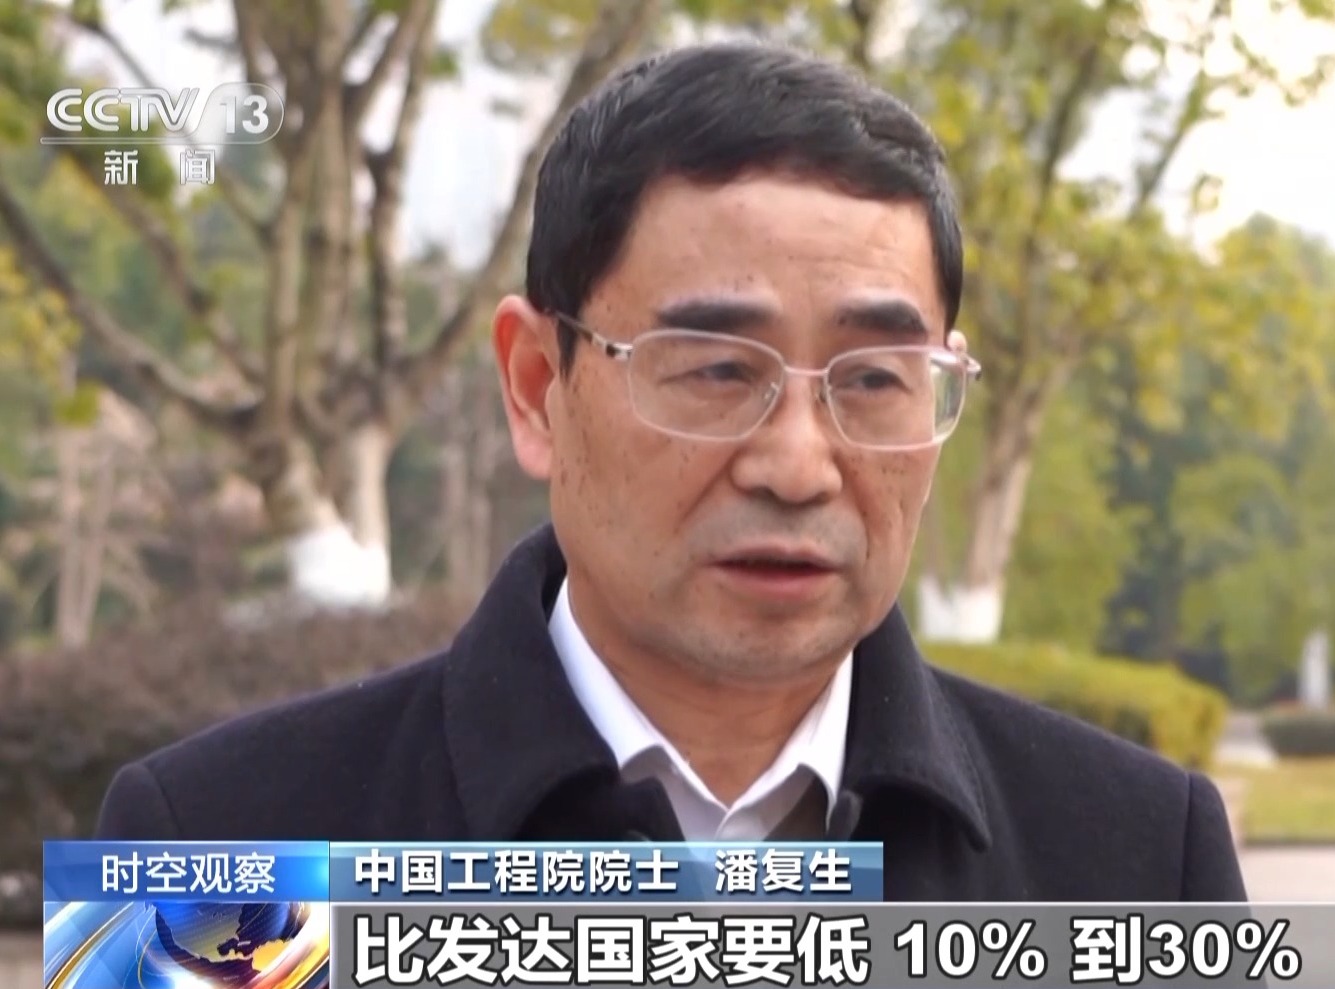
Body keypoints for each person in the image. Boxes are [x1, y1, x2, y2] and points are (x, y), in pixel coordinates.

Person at [95, 41, 1247, 902]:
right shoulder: (221, 857)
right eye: (715, 369)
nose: (798, 465)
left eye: (873, 378)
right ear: (537, 386)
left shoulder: (1139, 860)